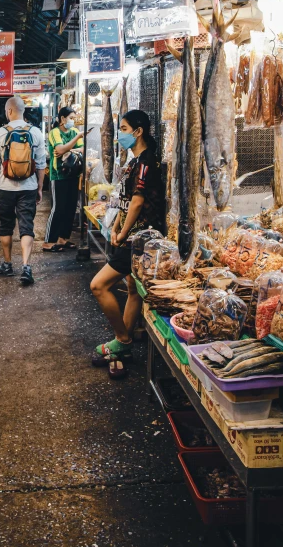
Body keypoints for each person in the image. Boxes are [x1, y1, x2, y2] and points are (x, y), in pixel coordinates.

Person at [90, 110, 164, 379]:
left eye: (123, 128)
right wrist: (116, 227)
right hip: (128, 236)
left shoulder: (146, 163)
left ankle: (122, 338)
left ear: (138, 131)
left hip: (140, 239)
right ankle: (123, 344)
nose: (119, 133)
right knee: (132, 289)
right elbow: (124, 201)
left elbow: (137, 203)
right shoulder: (133, 162)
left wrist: (122, 235)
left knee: (98, 286)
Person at [0, 96, 46, 285]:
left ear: (9, 111)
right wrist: (39, 188)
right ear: (23, 110)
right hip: (28, 187)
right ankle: (27, 266)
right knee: (26, 225)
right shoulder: (36, 132)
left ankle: (7, 263)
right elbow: (42, 165)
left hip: (5, 187)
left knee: (6, 225)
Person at [43, 107, 85, 251]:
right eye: (71, 118)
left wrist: (68, 149)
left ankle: (63, 239)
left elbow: (82, 150)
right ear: (62, 118)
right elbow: (59, 150)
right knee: (58, 208)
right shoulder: (55, 132)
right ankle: (49, 241)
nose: (73, 121)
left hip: (74, 174)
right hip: (58, 175)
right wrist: (76, 140)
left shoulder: (73, 132)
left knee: (70, 207)